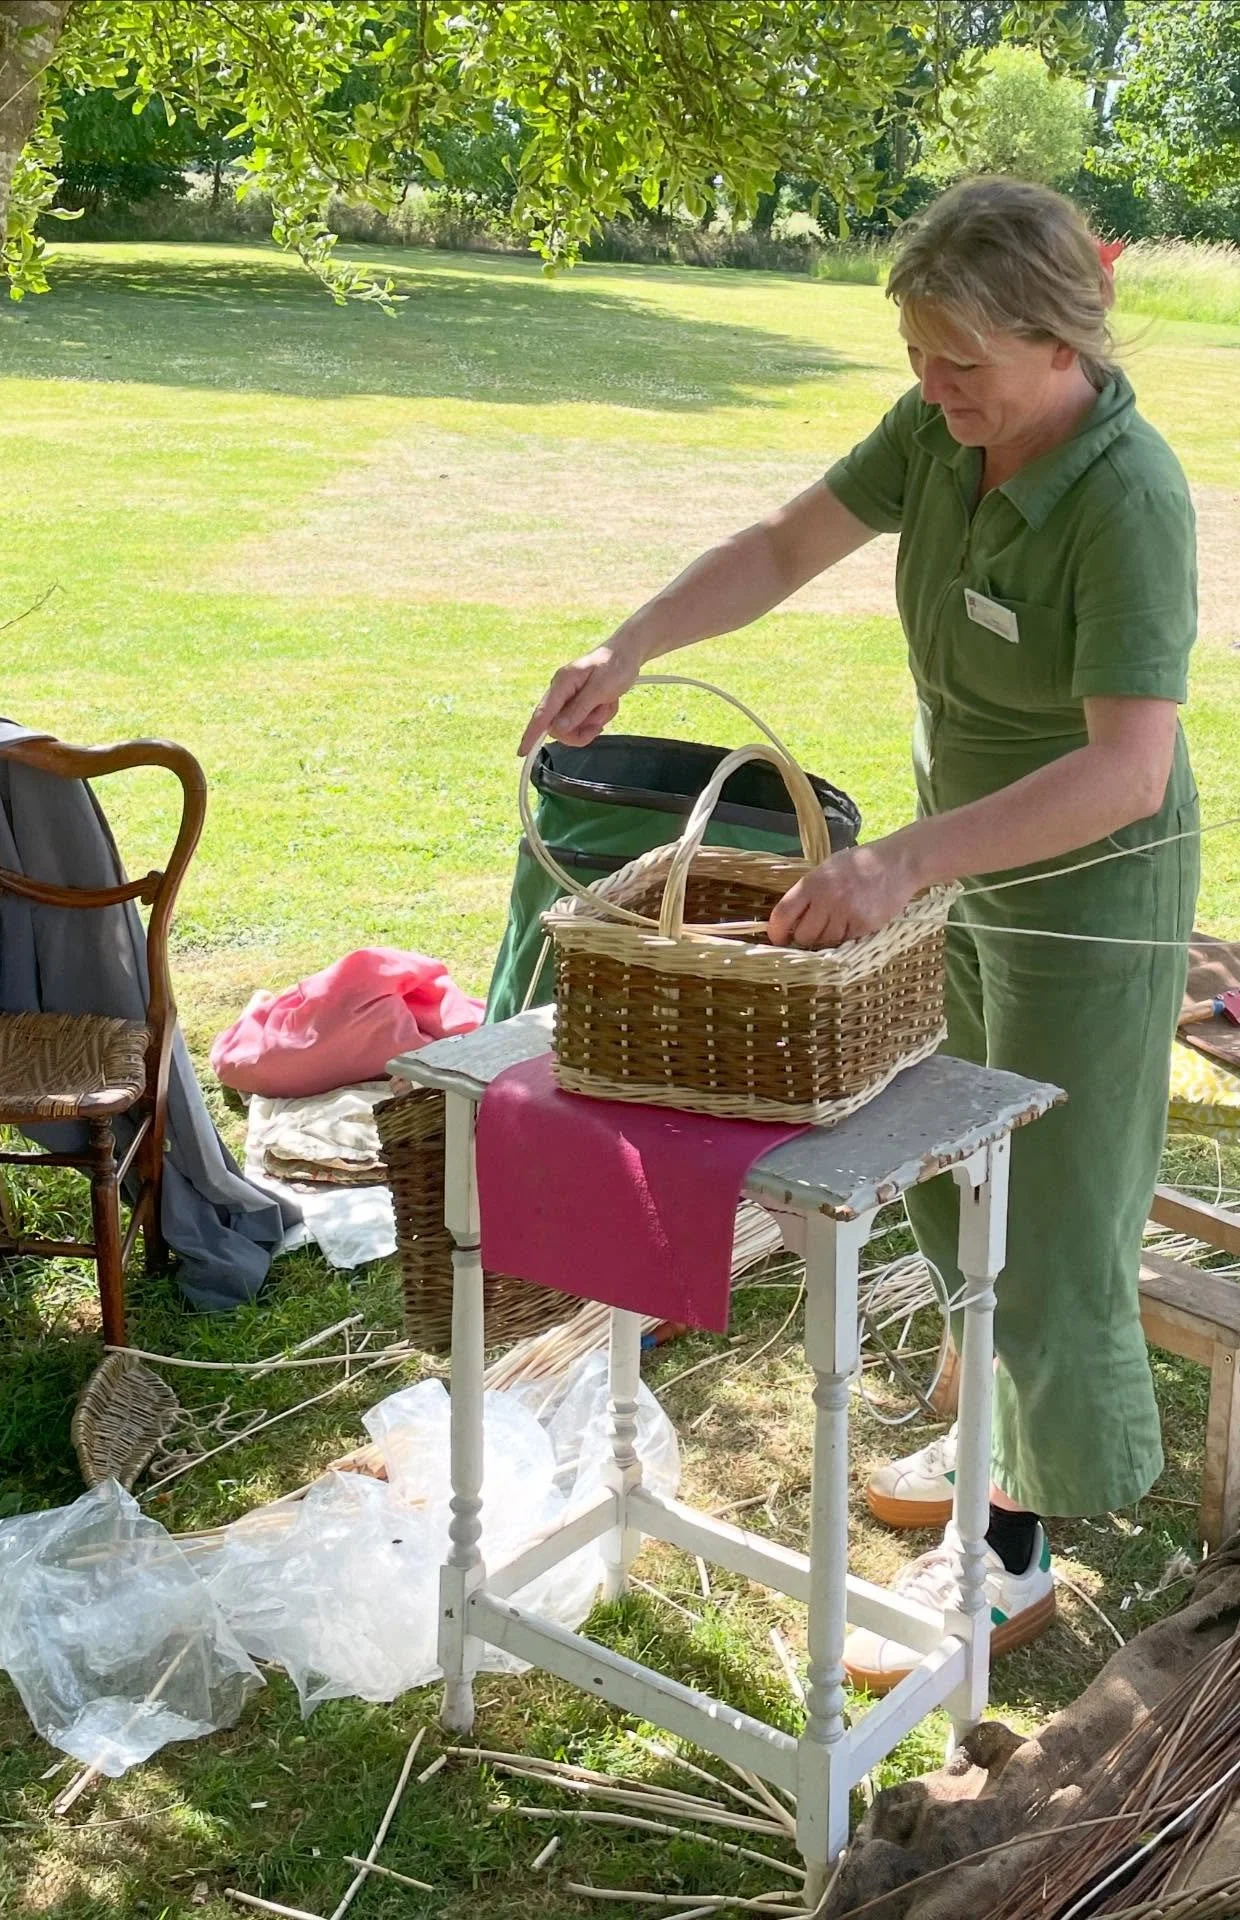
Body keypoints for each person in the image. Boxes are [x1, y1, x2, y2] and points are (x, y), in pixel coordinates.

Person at [518, 176, 1200, 1691]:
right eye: (916, 357)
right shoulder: (944, 431)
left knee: (1059, 1204)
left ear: (1060, 341)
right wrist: (630, 645)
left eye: (960, 362)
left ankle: (1012, 1547)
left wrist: (902, 862)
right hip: (947, 865)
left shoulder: (1127, 498)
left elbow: (1126, 770)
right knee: (946, 1167)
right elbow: (782, 544)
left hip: (1087, 886)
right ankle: (984, 1438)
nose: (932, 387)